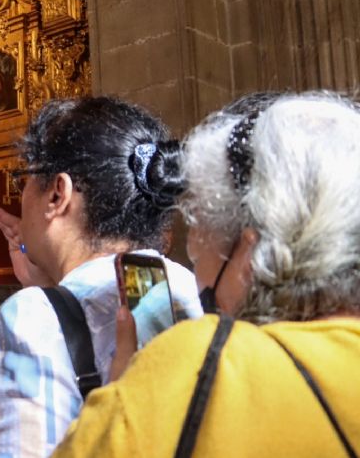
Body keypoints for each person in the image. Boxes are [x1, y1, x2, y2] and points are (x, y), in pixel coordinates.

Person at [0, 97, 202, 458]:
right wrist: (54, 291)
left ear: (58, 193)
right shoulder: (187, 288)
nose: (20, 197)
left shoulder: (30, 322)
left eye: (23, 179)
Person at [51, 92, 360, 457]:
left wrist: (124, 402)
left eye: (198, 249)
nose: (197, 278)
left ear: (249, 252)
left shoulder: (195, 370)